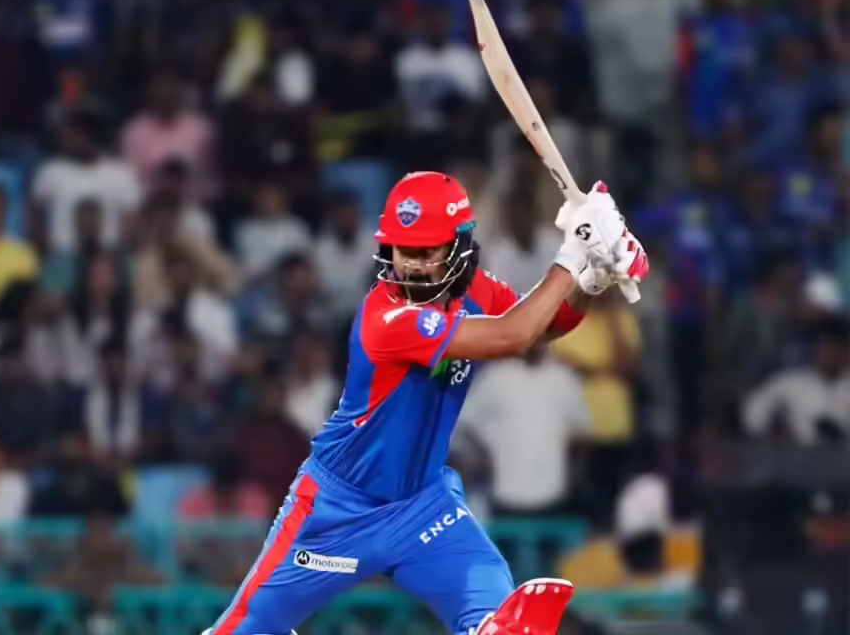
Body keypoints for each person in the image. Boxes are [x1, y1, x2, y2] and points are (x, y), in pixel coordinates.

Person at [203, 171, 649, 635]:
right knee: (243, 629)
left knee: (498, 616)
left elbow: (542, 328)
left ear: (459, 247)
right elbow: (514, 335)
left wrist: (592, 278)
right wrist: (572, 253)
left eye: (426, 252)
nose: (412, 266)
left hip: (423, 506)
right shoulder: (388, 317)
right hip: (337, 510)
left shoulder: (477, 291)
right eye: (403, 251)